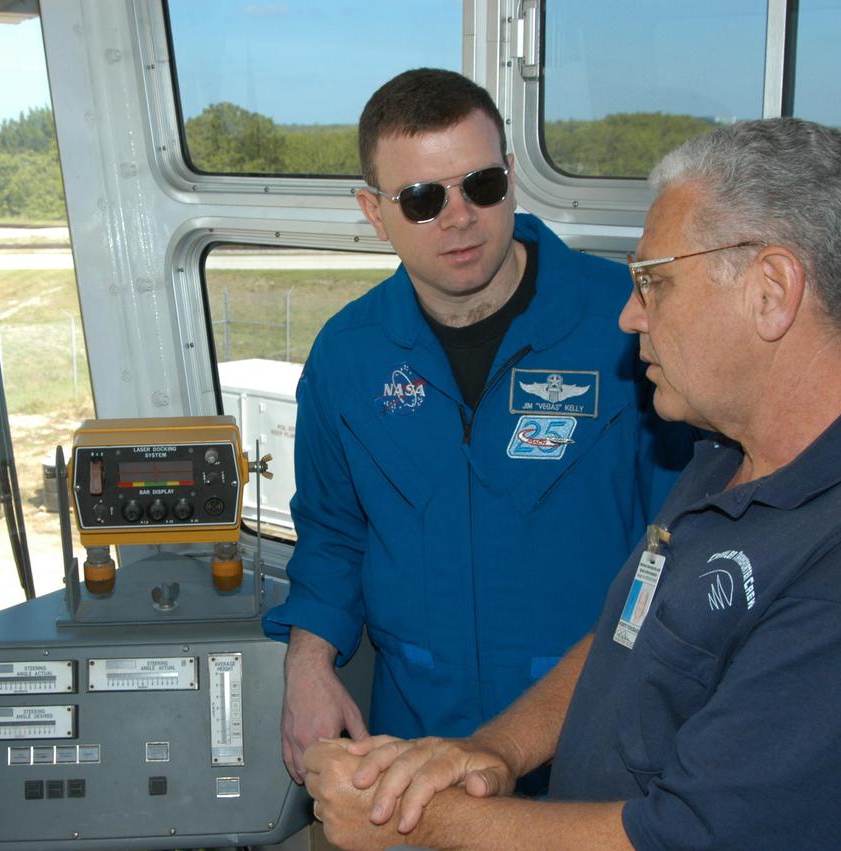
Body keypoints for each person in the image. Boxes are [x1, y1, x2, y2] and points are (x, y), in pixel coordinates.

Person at [302, 116, 841, 850]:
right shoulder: (731, 452)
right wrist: (499, 749)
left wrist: (416, 820)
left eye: (655, 282)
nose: (629, 313)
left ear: (771, 291)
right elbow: (631, 632)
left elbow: (690, 839)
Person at [262, 67, 691, 785]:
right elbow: (334, 533)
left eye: (481, 185)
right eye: (423, 198)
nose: (459, 217)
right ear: (374, 212)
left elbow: (687, 539)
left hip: (597, 740)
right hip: (417, 750)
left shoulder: (626, 322)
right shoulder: (348, 355)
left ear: (513, 179)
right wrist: (307, 660)